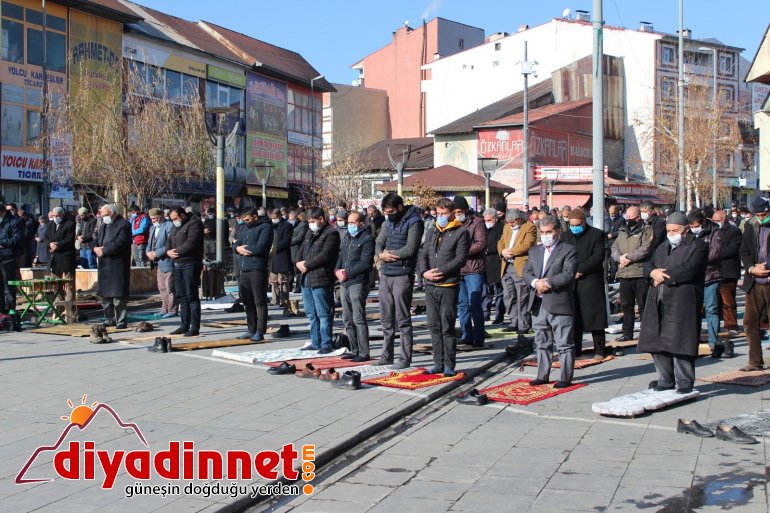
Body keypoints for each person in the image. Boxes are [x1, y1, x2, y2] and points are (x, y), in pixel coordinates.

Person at [637, 212, 707, 393]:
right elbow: (648, 264)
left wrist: (663, 276)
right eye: (669, 230)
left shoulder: (698, 246)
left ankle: (684, 382)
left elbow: (689, 269)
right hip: (658, 299)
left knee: (681, 341)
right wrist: (653, 273)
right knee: (656, 341)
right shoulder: (663, 246)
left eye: (675, 230)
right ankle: (665, 379)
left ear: (685, 230)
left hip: (682, 300)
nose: (671, 233)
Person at [522, 215, 578, 387]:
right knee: (541, 342)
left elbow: (568, 274)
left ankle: (565, 377)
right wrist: (535, 282)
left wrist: (547, 283)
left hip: (558, 303)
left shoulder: (568, 250)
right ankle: (542, 375)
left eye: (549, 232)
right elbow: (526, 271)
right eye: (543, 232)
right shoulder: (534, 251)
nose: (545, 235)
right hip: (538, 304)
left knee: (564, 343)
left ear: (558, 232)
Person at [420, 198, 471, 376]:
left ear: (451, 213)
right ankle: (437, 362)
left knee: (446, 326)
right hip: (430, 284)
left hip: (448, 284)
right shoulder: (433, 230)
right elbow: (424, 252)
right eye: (438, 213)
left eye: (444, 214)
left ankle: (449, 364)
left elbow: (460, 258)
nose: (440, 216)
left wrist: (440, 271)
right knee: (433, 325)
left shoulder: (461, 232)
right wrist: (424, 272)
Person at [374, 193, 424, 368]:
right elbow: (379, 241)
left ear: (400, 207)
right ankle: (386, 355)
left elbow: (411, 248)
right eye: (386, 212)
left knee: (402, 319)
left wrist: (389, 256)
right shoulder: (387, 222)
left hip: (403, 274)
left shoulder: (414, 222)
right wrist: (380, 255)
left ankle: (404, 358)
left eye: (391, 211)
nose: (388, 215)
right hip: (386, 274)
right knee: (386, 319)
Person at [562, 208, 609, 359]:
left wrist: (581, 270)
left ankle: (599, 349)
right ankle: (576, 349)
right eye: (572, 225)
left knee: (595, 316)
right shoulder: (565, 236)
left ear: (584, 222)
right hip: (571, 282)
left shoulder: (596, 234)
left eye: (577, 225)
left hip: (590, 280)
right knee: (575, 317)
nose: (574, 228)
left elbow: (598, 256)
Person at [296, 207, 340, 353]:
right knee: (311, 313)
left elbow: (325, 255)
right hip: (306, 278)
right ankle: (315, 341)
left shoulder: (331, 233)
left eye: (313, 221)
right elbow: (301, 250)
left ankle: (326, 343)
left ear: (321, 219)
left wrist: (307, 265)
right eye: (309, 221)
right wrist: (298, 262)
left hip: (321, 278)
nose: (310, 224)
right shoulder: (309, 232)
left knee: (324, 312)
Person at [610, 206, 654, 350]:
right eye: (626, 217)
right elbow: (614, 248)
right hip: (624, 273)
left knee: (642, 305)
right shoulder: (622, 230)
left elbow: (645, 249)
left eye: (631, 218)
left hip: (639, 272)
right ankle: (627, 333)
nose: (628, 220)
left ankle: (646, 333)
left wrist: (629, 257)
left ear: (638, 217)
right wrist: (620, 258)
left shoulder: (646, 230)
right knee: (626, 305)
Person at [336, 211, 375, 362]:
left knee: (358, 317)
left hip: (358, 281)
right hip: (344, 281)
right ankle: (354, 349)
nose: (350, 225)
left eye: (353, 223)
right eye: (349, 222)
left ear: (361, 224)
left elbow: (365, 263)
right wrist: (337, 270)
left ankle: (364, 353)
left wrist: (347, 272)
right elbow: (341, 257)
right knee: (347, 318)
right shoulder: (347, 238)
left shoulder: (367, 239)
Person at [738, 197, 770, 371]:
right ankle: (755, 362)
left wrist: (766, 266)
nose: (761, 217)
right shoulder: (750, 225)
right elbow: (744, 251)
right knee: (750, 322)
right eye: (758, 214)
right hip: (754, 281)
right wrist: (751, 268)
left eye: (764, 214)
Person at [498, 209, 537, 344]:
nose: (510, 224)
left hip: (520, 266)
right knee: (509, 296)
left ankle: (524, 325)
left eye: (513, 221)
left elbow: (527, 244)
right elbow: (501, 242)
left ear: (519, 219)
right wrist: (503, 251)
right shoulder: (506, 228)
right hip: (506, 266)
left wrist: (511, 252)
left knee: (522, 297)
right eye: (508, 222)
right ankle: (513, 322)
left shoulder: (529, 227)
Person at [452, 196, 487, 348]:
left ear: (466, 210)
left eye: (460, 211)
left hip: (473, 269)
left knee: (475, 304)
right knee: (462, 305)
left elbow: (481, 243)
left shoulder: (477, 222)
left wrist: (462, 253)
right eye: (455, 212)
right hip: (457, 269)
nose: (457, 214)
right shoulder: (452, 223)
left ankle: (479, 337)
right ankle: (466, 335)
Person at [688, 209, 723, 357]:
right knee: (693, 311)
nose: (692, 228)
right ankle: (691, 342)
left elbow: (715, 252)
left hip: (711, 276)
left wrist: (695, 260)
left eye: (695, 225)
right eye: (690, 226)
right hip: (693, 276)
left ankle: (713, 342)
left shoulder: (714, 231)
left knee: (711, 309)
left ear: (702, 222)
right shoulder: (688, 232)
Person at [235, 208, 273, 341]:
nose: (245, 222)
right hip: (244, 269)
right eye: (244, 220)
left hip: (257, 269)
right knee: (247, 302)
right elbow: (237, 243)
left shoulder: (266, 227)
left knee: (259, 301)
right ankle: (251, 329)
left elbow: (261, 247)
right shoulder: (244, 228)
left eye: (248, 219)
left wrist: (245, 250)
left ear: (255, 216)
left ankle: (260, 331)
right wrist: (237, 248)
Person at [167, 206, 204, 337]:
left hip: (190, 263)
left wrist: (176, 252)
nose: (174, 221)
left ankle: (194, 327)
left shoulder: (194, 223)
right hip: (177, 264)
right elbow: (170, 239)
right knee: (181, 296)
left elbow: (191, 243)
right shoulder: (175, 226)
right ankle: (184, 325)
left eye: (176, 218)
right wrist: (168, 251)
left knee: (191, 296)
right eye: (172, 219)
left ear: (182, 215)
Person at [94, 204, 132, 328]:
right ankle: (109, 319)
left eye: (106, 215)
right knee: (104, 296)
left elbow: (120, 242)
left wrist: (104, 250)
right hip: (104, 264)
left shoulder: (124, 224)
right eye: (103, 215)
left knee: (118, 296)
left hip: (117, 264)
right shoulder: (104, 225)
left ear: (114, 213)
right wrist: (95, 247)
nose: (104, 217)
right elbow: (97, 239)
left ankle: (121, 320)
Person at [44, 207, 77, 323]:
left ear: (62, 215)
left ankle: (70, 311)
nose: (55, 218)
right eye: (53, 216)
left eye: (57, 216)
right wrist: (50, 244)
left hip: (66, 257)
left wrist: (57, 246)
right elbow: (46, 237)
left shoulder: (69, 224)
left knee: (69, 285)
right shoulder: (50, 224)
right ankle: (58, 310)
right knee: (56, 285)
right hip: (54, 259)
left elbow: (69, 239)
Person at [712, 209, 742, 340]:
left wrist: (714, 254)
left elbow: (732, 249)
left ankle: (731, 326)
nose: (715, 223)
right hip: (713, 271)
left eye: (717, 220)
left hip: (728, 270)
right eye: (713, 220)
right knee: (714, 301)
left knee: (728, 301)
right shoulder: (712, 231)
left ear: (724, 219)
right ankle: (716, 325)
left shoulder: (734, 231)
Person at [146, 208, 176, 318]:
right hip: (158, 263)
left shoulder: (169, 225)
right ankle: (165, 308)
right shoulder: (153, 228)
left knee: (170, 287)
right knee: (162, 287)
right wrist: (148, 252)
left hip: (166, 261)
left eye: (155, 218)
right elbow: (149, 242)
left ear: (161, 216)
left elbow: (170, 243)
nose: (153, 221)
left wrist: (157, 253)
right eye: (151, 219)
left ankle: (172, 310)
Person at [0, 203, 22, 329]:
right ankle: (1, 311)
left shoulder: (14, 221)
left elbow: (17, 239)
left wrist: (2, 243)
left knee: (8, 286)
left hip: (8, 258)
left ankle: (10, 311)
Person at [268, 208, 293, 313]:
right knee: (273, 280)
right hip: (272, 257)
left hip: (282, 255)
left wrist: (274, 248)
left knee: (282, 280)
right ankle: (275, 299)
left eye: (275, 218)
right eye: (272, 218)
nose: (273, 219)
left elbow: (286, 241)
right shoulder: (270, 226)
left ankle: (284, 299)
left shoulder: (287, 226)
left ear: (279, 216)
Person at [483, 207, 505, 324]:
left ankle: (499, 315)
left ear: (495, 219)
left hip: (497, 262)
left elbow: (500, 244)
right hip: (485, 264)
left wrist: (487, 249)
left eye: (489, 220)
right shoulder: (483, 228)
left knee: (499, 293)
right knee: (486, 292)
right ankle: (485, 313)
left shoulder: (502, 228)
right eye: (485, 220)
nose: (487, 222)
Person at [289, 210, 308, 298]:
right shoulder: (295, 225)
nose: (291, 221)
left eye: (292, 219)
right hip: (293, 250)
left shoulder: (302, 225)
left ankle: (299, 286)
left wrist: (288, 241)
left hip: (297, 250)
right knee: (293, 270)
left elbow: (299, 238)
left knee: (298, 270)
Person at [605, 204, 625, 282]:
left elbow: (622, 230)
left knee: (613, 261)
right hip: (606, 242)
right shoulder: (606, 218)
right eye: (611, 213)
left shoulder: (621, 219)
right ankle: (605, 277)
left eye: (614, 213)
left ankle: (612, 277)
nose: (612, 215)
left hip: (615, 242)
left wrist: (613, 234)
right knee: (605, 261)